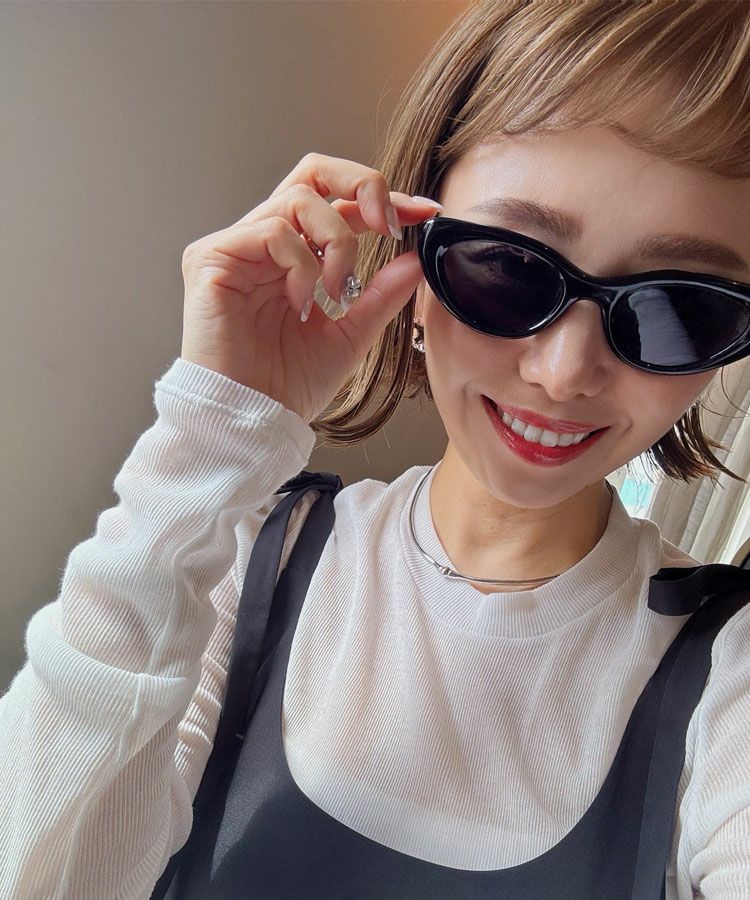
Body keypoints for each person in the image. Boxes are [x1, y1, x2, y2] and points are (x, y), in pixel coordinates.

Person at [1, 1, 749, 898]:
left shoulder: (728, 672)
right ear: (411, 248)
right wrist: (213, 429)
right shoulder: (243, 561)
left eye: (680, 309)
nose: (563, 372)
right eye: (508, 265)